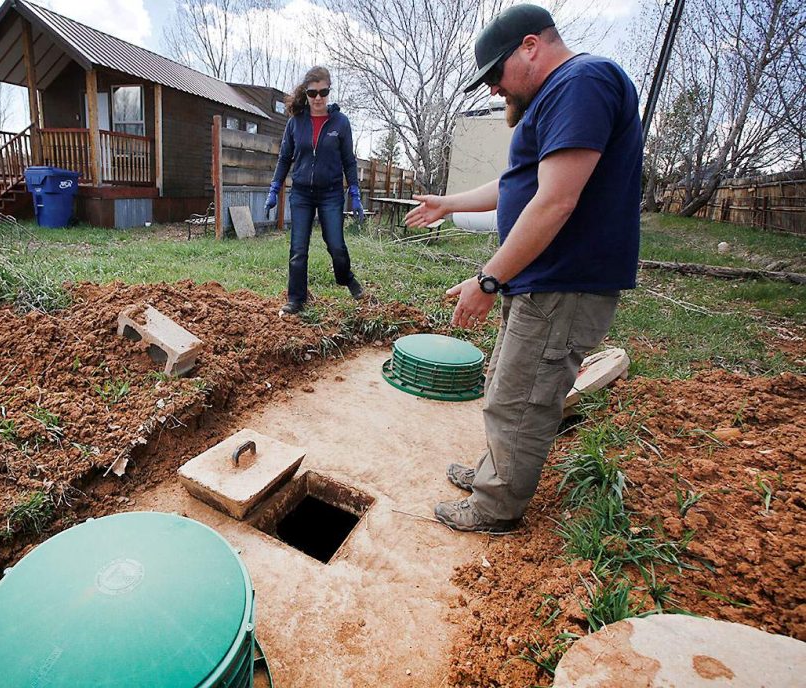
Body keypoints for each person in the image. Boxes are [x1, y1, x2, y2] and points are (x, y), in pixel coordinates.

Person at [405, 4, 642, 533]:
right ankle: (496, 473)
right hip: (543, 278)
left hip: (563, 282)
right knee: (509, 385)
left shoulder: (581, 82)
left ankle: (496, 508)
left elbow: (555, 201)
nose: (493, 90)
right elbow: (517, 185)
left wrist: (489, 279)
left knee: (523, 398)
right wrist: (448, 203)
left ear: (530, 46)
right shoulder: (556, 98)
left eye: (495, 75)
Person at [266, 66, 366, 315]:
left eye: (323, 92)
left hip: (331, 193)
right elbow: (284, 158)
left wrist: (354, 192)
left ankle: (346, 278)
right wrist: (274, 188)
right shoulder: (295, 122)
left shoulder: (340, 123)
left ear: (329, 91)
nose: (318, 98)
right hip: (301, 193)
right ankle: (296, 299)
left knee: (336, 246)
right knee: (298, 249)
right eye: (313, 93)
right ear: (306, 93)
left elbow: (349, 161)